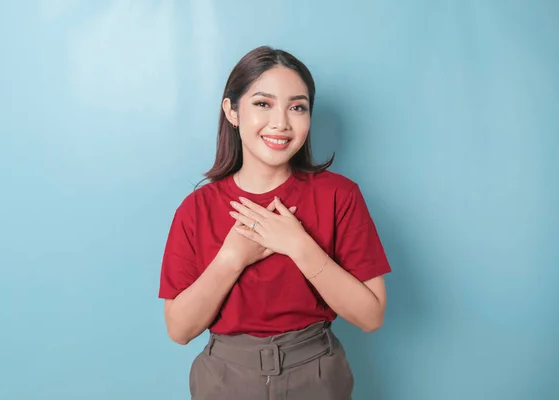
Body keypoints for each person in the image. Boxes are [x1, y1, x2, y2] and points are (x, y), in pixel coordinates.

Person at [158, 45, 392, 400]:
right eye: (263, 104)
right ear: (231, 111)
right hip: (223, 379)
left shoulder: (339, 196)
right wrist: (232, 258)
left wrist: (299, 246)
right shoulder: (196, 209)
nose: (281, 123)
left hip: (317, 376)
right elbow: (179, 329)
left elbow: (371, 315)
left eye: (297, 107)